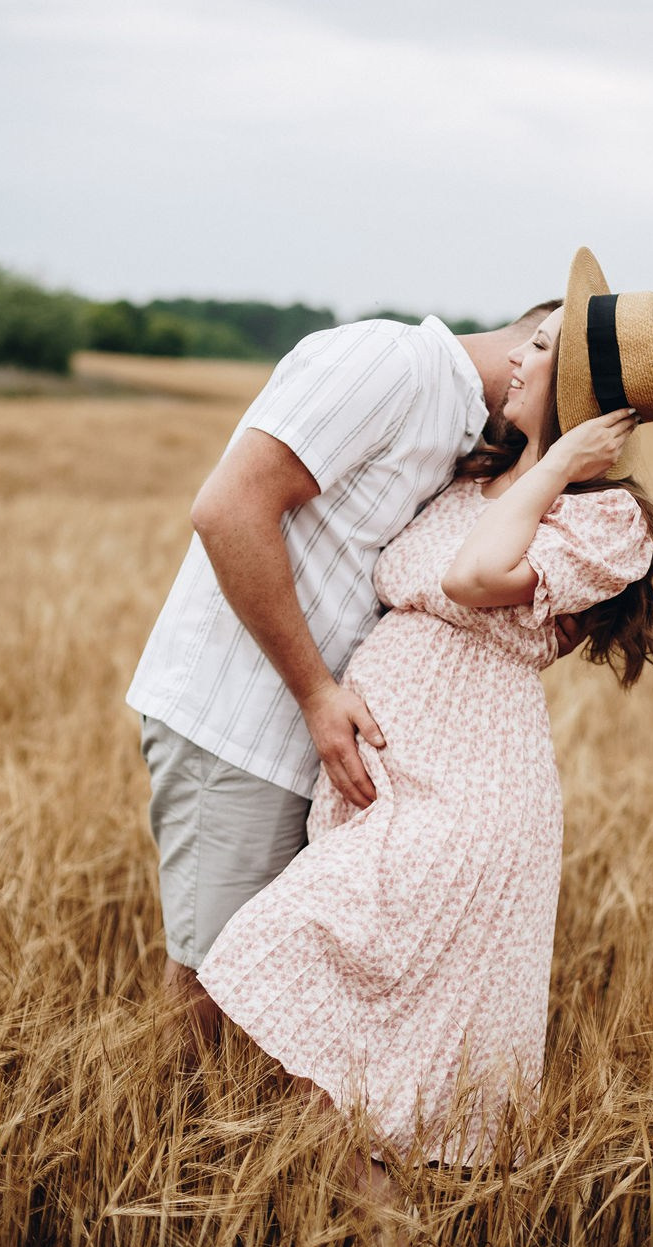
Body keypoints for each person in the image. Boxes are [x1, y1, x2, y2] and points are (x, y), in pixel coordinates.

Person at [196, 247, 653, 1186]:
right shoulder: (464, 488)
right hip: (386, 786)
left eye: (540, 351)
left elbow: (473, 578)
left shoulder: (607, 523)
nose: (517, 361)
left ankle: (381, 1241)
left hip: (468, 801)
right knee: (347, 1064)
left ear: (578, 396)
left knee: (281, 959)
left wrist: (561, 466)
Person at [127, 286, 575, 1032]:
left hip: (312, 741)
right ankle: (168, 1138)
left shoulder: (469, 440)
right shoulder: (388, 366)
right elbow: (228, 508)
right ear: (537, 349)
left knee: (272, 998)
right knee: (215, 986)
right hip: (243, 724)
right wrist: (315, 694)